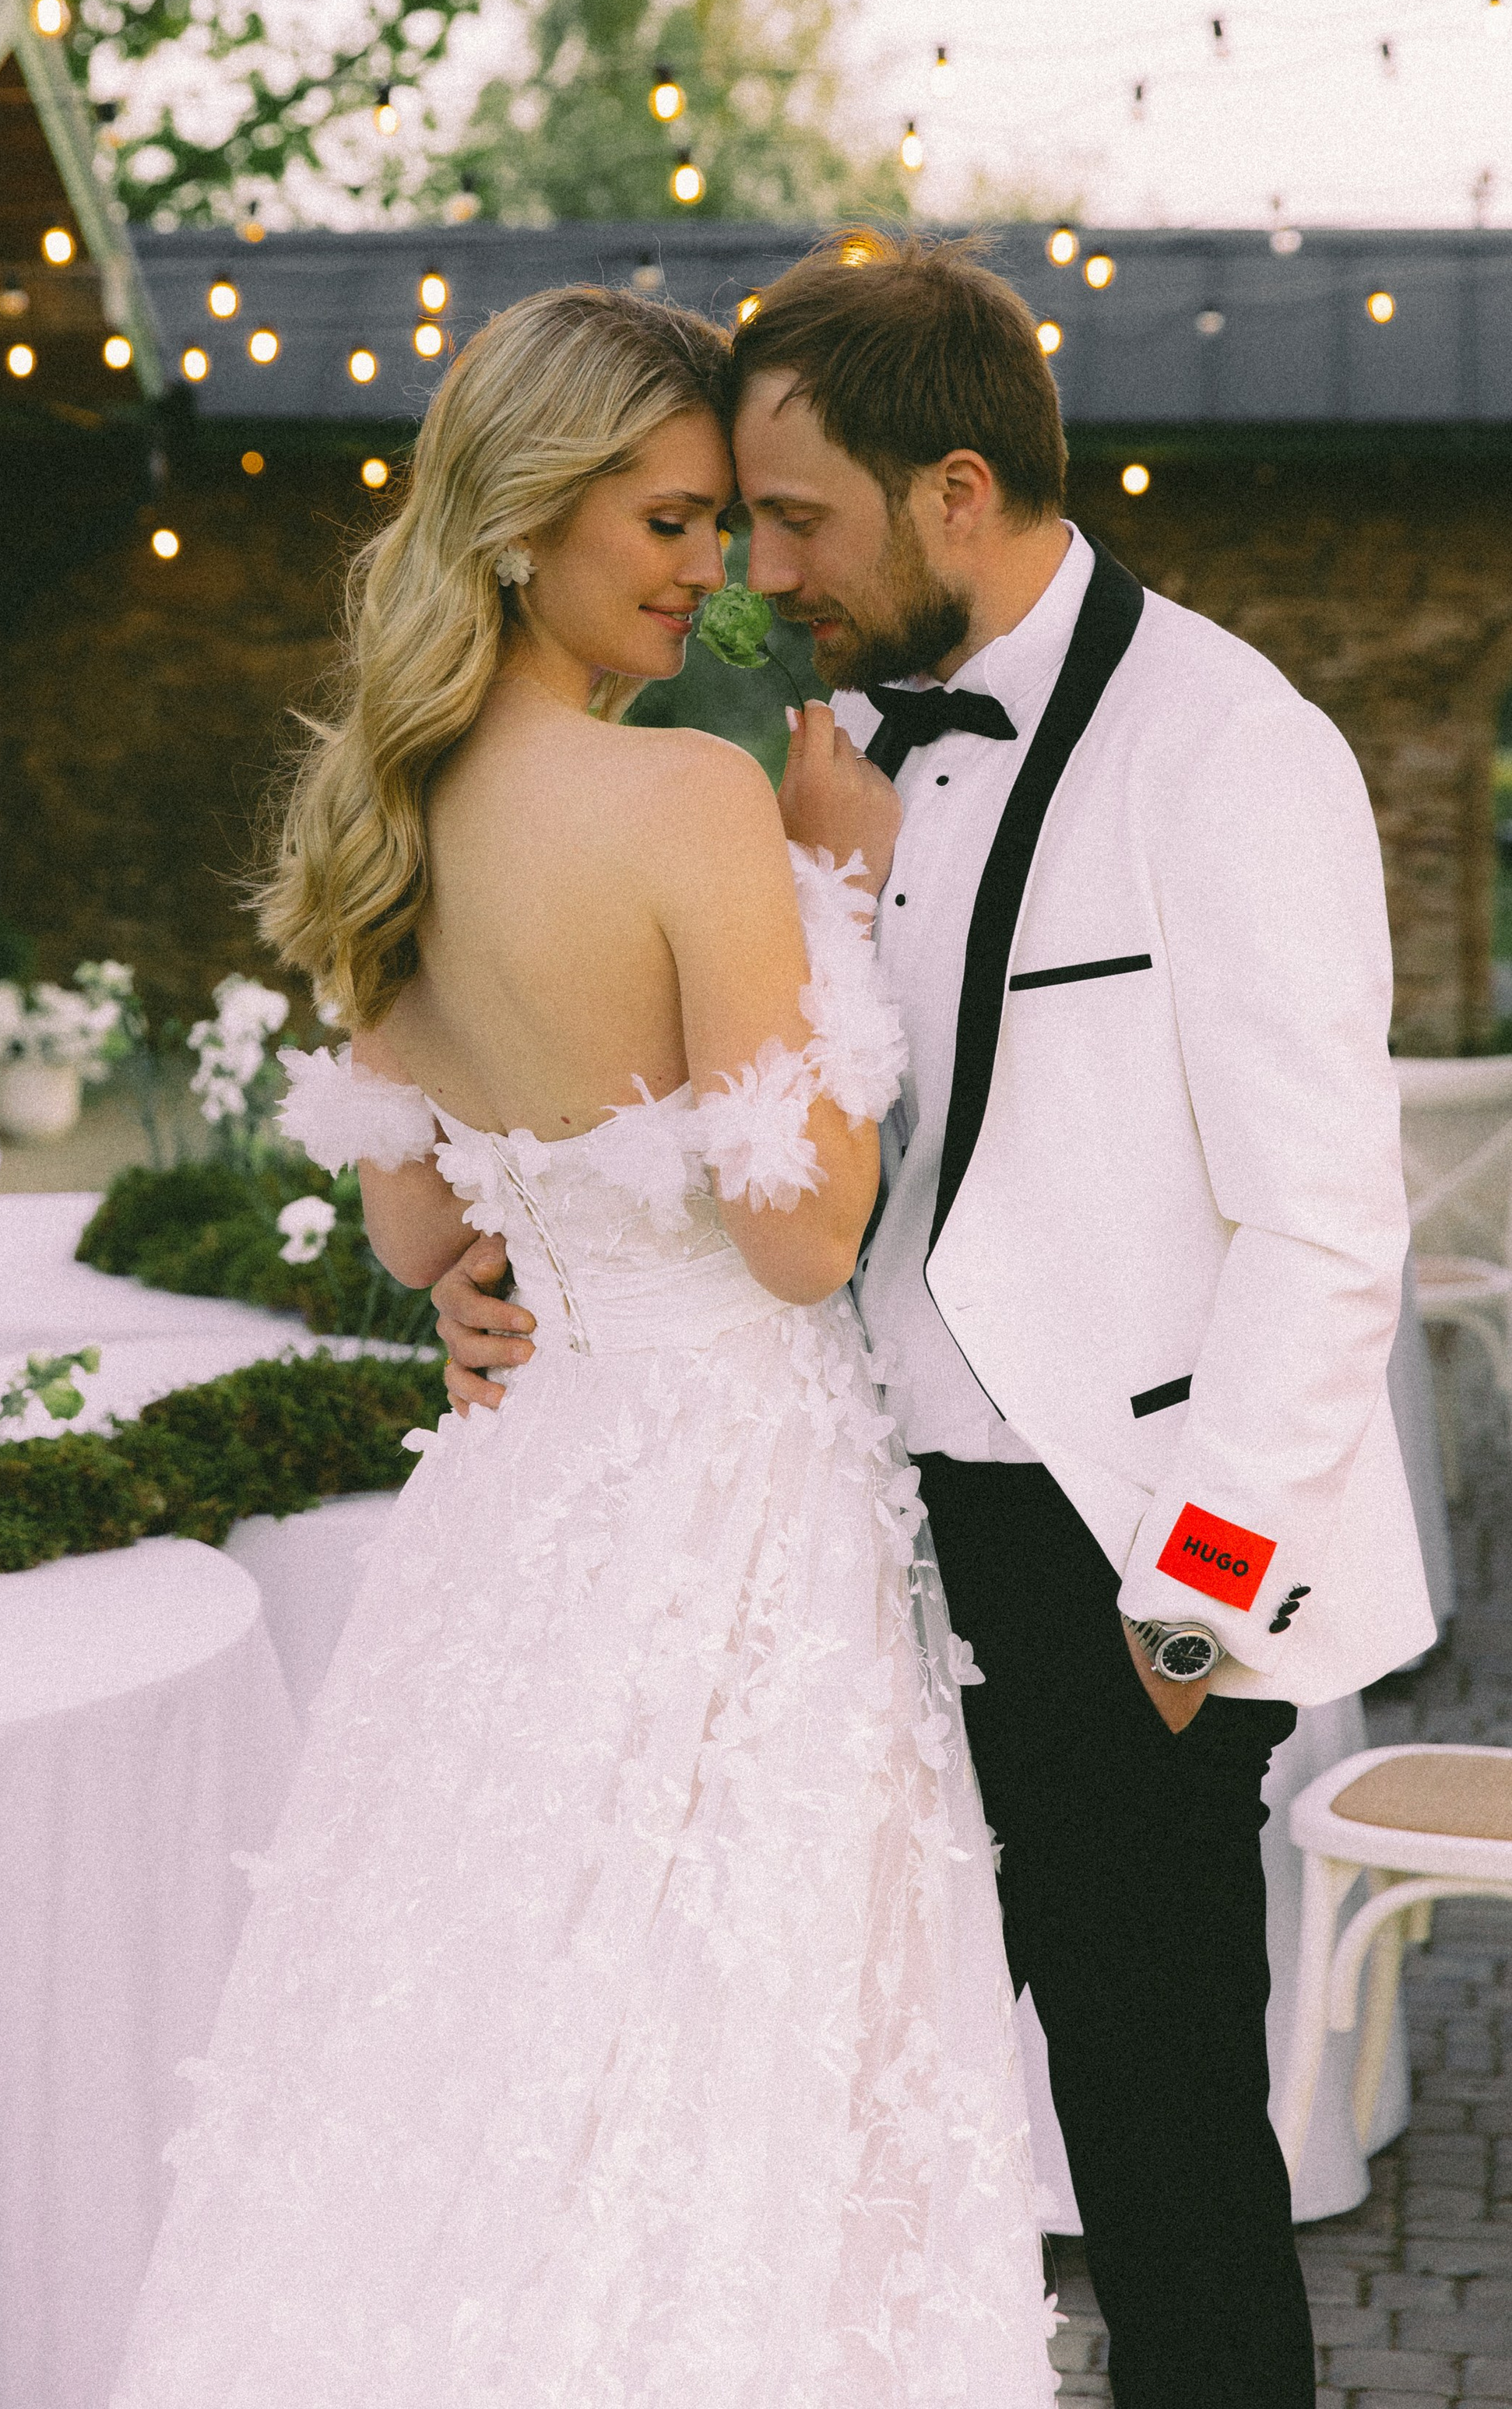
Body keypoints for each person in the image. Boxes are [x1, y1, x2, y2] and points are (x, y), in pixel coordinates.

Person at [437, 233, 1436, 2409]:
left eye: (792, 519)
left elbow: (1327, 1223)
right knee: (827, 2095)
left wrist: (1199, 1600)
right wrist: (531, 1264)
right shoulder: (823, 749)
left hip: (1120, 1556)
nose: (752, 567)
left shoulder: (1227, 748)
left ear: (955, 494)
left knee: (1156, 2128)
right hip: (851, 1526)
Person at [113, 283, 1056, 2408]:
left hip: (525, 1518)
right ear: (527, 514)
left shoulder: (400, 809)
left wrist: (490, 1267)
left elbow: (418, 1222)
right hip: (732, 1517)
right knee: (735, 2049)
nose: (711, 571)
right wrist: (849, 893)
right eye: (666, 522)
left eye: (725, 523)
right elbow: (803, 1237)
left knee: (485, 2029)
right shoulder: (688, 806)